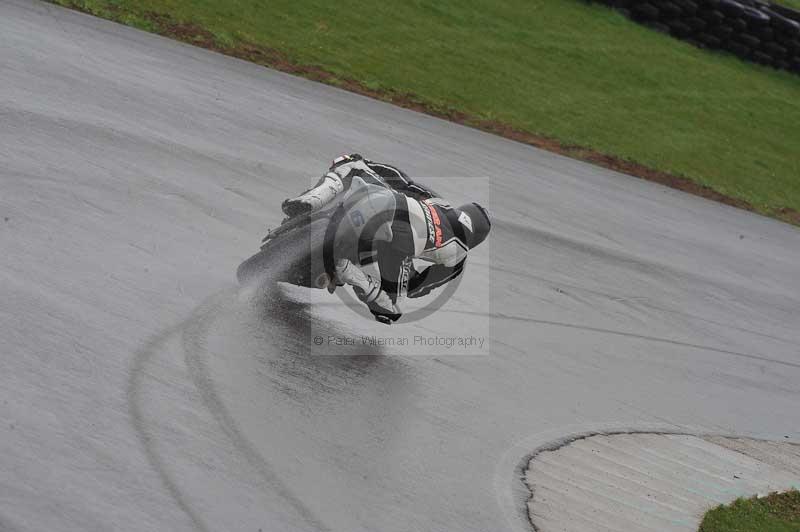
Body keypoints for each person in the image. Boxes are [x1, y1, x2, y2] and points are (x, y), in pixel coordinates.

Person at [282, 154, 491, 323]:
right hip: (397, 248)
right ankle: (353, 275)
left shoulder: (439, 203)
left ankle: (313, 198)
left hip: (382, 203)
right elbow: (418, 288)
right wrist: (400, 272)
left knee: (351, 162)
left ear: (460, 211)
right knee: (392, 310)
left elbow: (403, 182)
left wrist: (368, 165)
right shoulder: (458, 260)